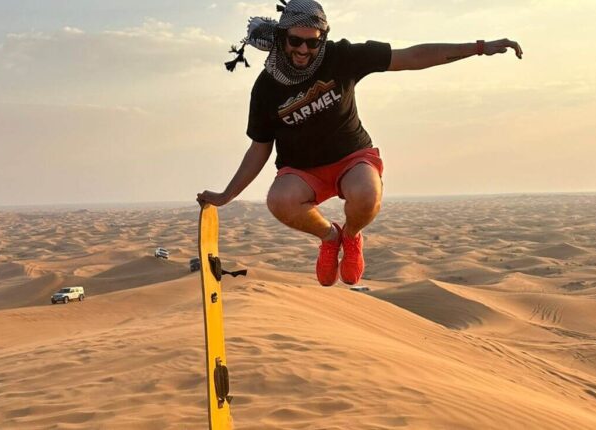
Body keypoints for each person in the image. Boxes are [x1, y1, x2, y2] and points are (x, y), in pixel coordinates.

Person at [197, 0, 522, 286]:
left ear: (322, 39)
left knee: (367, 195)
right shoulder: (267, 87)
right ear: (282, 38)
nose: (303, 50)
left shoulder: (342, 57)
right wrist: (227, 195)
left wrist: (479, 47)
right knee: (279, 201)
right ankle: (330, 237)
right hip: (301, 170)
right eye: (295, 41)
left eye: (312, 43)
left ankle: (351, 237)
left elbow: (411, 56)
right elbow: (260, 147)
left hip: (352, 157)